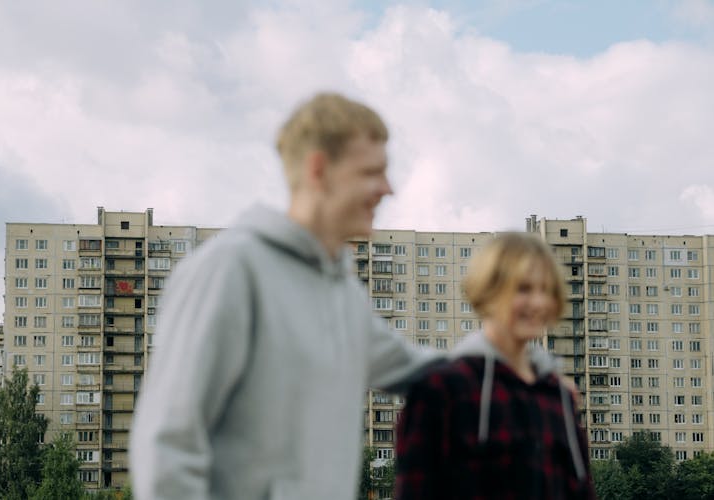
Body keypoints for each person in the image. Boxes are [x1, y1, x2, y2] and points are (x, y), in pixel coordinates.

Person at [130, 92, 442, 499]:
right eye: (372, 172)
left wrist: (530, 371)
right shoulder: (229, 269)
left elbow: (421, 371)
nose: (388, 189)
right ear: (319, 169)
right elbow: (167, 445)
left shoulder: (345, 295)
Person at [394, 232, 596, 499]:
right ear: (488, 291)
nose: (538, 303)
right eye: (524, 288)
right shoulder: (441, 390)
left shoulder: (558, 397)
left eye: (546, 289)